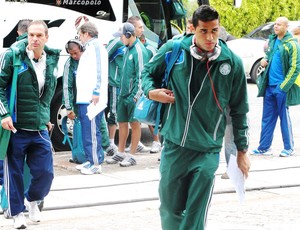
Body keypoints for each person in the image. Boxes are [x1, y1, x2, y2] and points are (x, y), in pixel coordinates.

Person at [141, 5, 250, 229]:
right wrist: (151, 92)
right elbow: (147, 73)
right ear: (193, 29)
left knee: (195, 215)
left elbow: (239, 111)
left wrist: (242, 152)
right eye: (204, 31)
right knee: (170, 209)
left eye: (215, 31)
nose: (210, 38)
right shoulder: (174, 50)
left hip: (207, 150)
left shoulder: (232, 63)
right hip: (174, 145)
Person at [0, 20, 60, 229]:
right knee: (14, 172)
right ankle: (17, 213)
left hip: (39, 128)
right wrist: (4, 114)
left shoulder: (51, 59)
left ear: (46, 37)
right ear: (27, 36)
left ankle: (34, 200)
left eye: (39, 35)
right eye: (31, 35)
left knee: (46, 173)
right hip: (15, 127)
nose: (34, 39)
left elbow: (48, 92)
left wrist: (45, 116)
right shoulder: (13, 56)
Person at [251, 17, 300, 157]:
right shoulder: (273, 41)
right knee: (267, 118)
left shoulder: (292, 45)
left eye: (279, 24)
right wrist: (264, 61)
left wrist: (283, 87)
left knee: (284, 117)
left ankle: (289, 148)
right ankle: (264, 147)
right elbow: (268, 57)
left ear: (286, 27)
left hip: (281, 88)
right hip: (269, 87)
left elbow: (295, 68)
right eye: (275, 24)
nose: (276, 27)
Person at [106, 22, 150, 167]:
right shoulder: (127, 49)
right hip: (123, 94)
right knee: (122, 123)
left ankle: (132, 155)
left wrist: (135, 97)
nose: (120, 40)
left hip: (132, 96)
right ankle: (120, 152)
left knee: (135, 124)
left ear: (128, 35)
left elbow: (141, 76)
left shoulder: (139, 51)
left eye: (121, 37)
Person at [62, 39, 110, 163]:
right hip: (80, 101)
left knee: (100, 127)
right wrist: (68, 107)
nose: (74, 56)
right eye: (71, 54)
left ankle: (101, 152)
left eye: (76, 53)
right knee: (84, 130)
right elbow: (66, 86)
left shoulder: (90, 57)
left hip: (94, 100)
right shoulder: (69, 64)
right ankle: (85, 155)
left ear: (81, 48)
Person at [73, 21, 108, 174]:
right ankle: (90, 159)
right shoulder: (90, 48)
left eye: (80, 35)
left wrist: (96, 91)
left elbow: (99, 70)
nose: (80, 38)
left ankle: (95, 163)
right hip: (85, 96)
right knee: (87, 130)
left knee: (92, 130)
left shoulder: (96, 47)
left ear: (87, 33)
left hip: (92, 97)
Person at [128, 16, 160, 153]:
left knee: (149, 112)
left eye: (142, 27)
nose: (142, 29)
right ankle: (138, 142)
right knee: (139, 115)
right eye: (140, 27)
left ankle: (157, 141)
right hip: (136, 85)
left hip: (148, 84)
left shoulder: (149, 46)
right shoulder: (129, 45)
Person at [105, 36, 126, 156]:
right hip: (115, 83)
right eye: (139, 27)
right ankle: (111, 142)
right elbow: (104, 56)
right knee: (113, 112)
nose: (142, 29)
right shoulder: (117, 42)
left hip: (124, 84)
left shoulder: (135, 45)